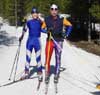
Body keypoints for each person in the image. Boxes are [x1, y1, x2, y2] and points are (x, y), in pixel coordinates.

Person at [42, 4, 72, 83]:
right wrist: (47, 31)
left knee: (58, 58)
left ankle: (56, 74)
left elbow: (70, 26)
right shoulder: (47, 19)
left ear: (57, 10)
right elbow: (41, 28)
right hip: (50, 41)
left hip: (59, 41)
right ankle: (47, 74)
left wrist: (66, 34)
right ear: (50, 10)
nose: (54, 11)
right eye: (52, 9)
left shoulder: (62, 19)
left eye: (55, 9)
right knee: (47, 58)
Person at [19, 7, 45, 82]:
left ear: (38, 14)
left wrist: (48, 31)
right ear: (31, 14)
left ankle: (40, 73)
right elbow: (25, 29)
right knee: (28, 58)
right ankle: (27, 72)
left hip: (37, 41)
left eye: (36, 13)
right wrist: (21, 36)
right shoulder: (29, 22)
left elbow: (43, 29)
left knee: (38, 58)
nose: (35, 14)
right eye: (33, 13)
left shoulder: (40, 22)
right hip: (29, 41)